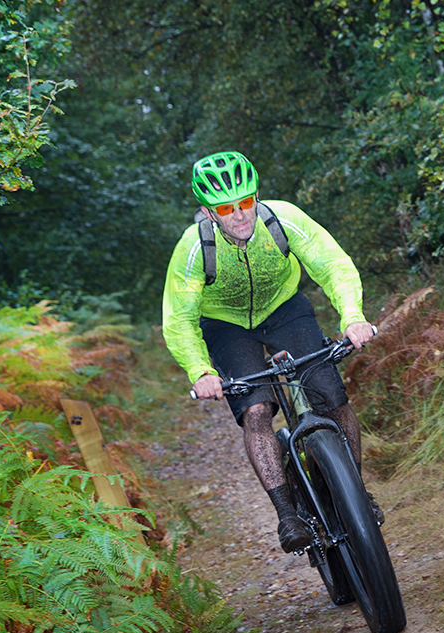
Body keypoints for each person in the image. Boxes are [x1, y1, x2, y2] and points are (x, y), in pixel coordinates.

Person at [161, 150, 380, 552]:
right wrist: (200, 370)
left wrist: (352, 316)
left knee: (331, 395)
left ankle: (357, 494)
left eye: (246, 201)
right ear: (209, 212)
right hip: (225, 324)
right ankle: (287, 515)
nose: (241, 214)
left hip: (283, 308)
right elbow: (179, 318)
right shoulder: (194, 250)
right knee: (256, 411)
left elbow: (331, 263)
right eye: (227, 207)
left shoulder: (281, 218)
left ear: (257, 196)